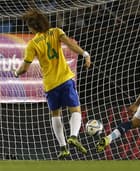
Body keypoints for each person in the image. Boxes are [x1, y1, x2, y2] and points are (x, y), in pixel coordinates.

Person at [14, 10, 91, 159]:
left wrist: (16, 73)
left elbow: (24, 68)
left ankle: (63, 148)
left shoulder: (32, 44)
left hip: (50, 84)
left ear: (32, 27)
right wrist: (85, 54)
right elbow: (70, 44)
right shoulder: (56, 32)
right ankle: (73, 136)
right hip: (65, 79)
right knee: (75, 110)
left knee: (55, 114)